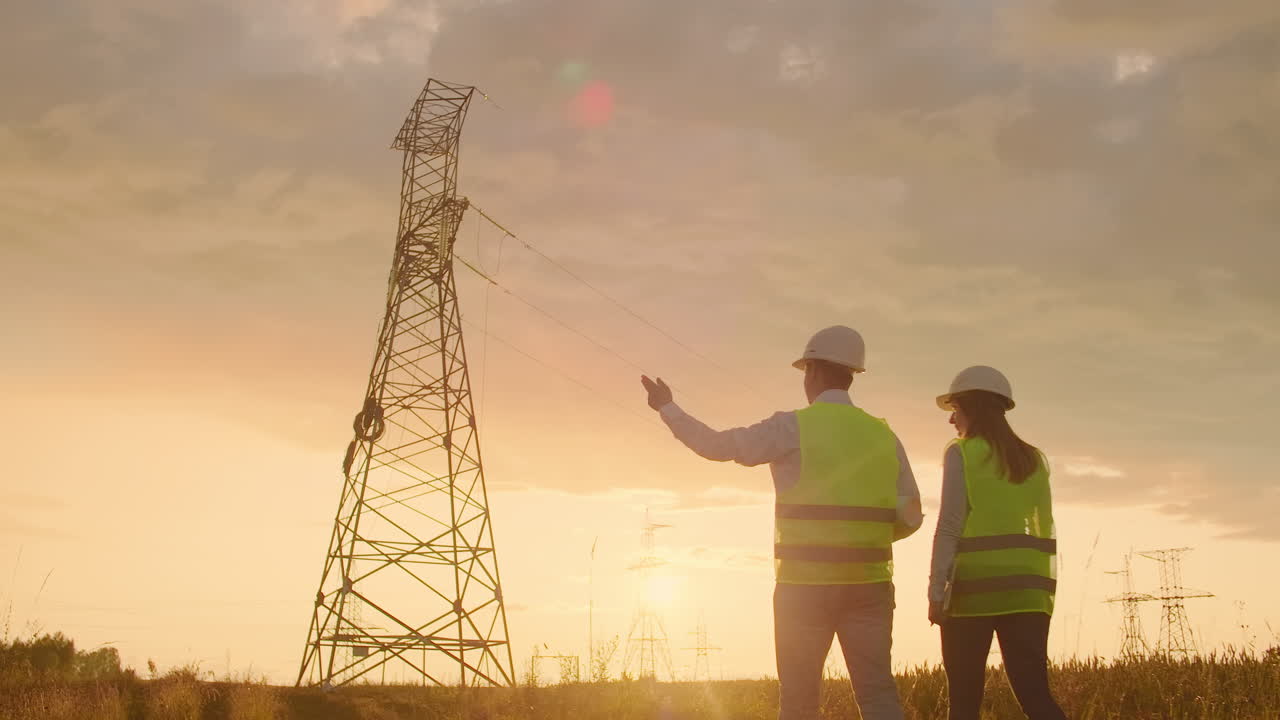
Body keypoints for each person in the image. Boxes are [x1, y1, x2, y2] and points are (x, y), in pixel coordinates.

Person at [640, 326, 922, 720]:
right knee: (877, 695)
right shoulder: (883, 435)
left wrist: (667, 408)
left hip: (803, 588)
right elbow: (912, 515)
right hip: (870, 584)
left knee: (799, 702)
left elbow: (717, 446)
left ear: (813, 373)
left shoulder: (791, 427)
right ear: (852, 374)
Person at [927, 366, 1068, 720]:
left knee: (963, 701)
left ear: (970, 408)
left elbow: (949, 526)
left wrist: (936, 591)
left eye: (954, 410)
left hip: (975, 590)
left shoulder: (961, 453)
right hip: (1029, 591)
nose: (951, 421)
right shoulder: (1035, 459)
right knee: (1036, 696)